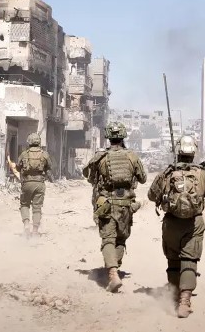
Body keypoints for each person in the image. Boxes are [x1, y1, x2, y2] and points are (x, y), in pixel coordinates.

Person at [148, 135, 205, 318]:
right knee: (189, 260)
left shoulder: (167, 174)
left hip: (171, 223)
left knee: (173, 260)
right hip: (193, 224)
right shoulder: (201, 174)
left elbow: (151, 196)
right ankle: (185, 301)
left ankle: (173, 295)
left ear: (178, 152)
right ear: (194, 152)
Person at [83, 122, 146, 293]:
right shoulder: (132, 156)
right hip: (126, 205)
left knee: (108, 239)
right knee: (120, 239)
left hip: (106, 204)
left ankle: (112, 274)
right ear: (123, 136)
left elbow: (90, 178)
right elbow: (143, 178)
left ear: (108, 137)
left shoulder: (101, 157)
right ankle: (114, 269)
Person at [10, 133, 52, 238]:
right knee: (37, 207)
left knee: (24, 205)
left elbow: (18, 168)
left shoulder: (24, 154)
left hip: (27, 183)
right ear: (39, 142)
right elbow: (49, 168)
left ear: (29, 142)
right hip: (39, 184)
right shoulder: (45, 154)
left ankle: (26, 225)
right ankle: (35, 231)